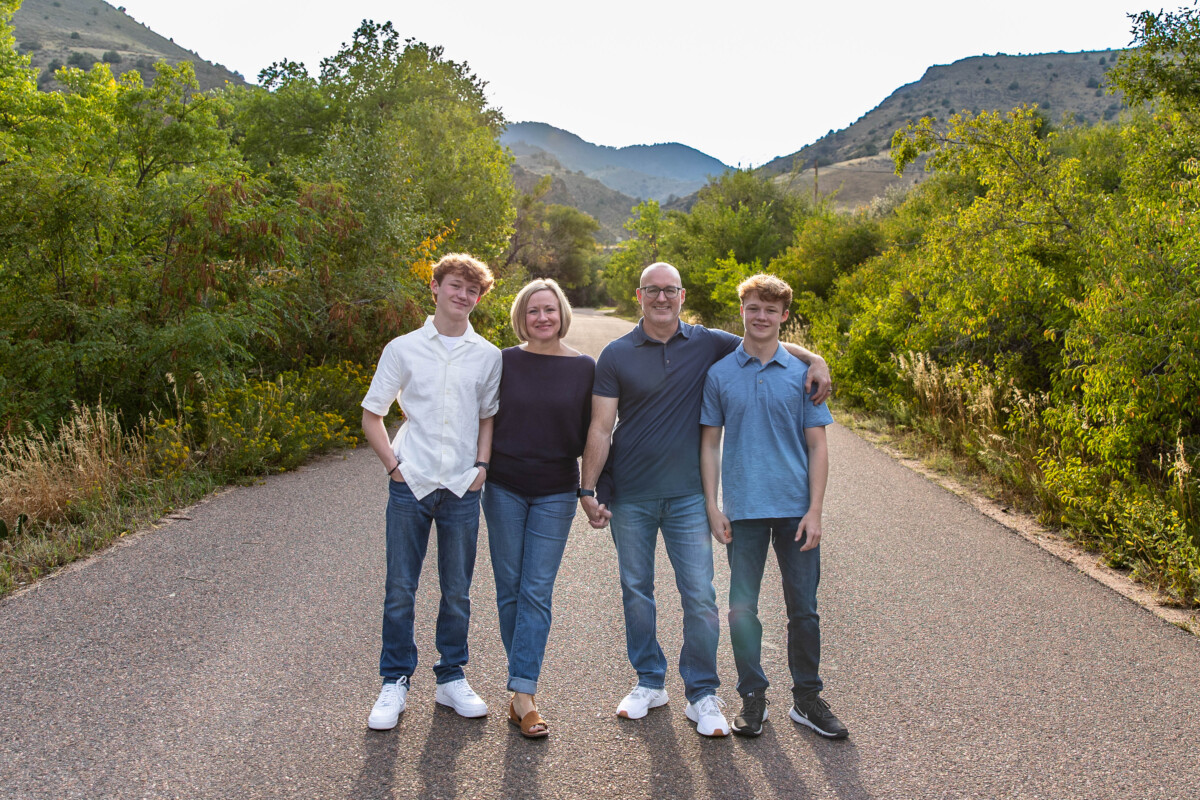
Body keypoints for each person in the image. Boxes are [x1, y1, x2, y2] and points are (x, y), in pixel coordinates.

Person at [578, 262, 831, 738]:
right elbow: (599, 426)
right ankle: (650, 681)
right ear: (638, 295)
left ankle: (702, 692)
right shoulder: (615, 354)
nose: (661, 298)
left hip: (690, 497)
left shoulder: (707, 342)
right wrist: (587, 488)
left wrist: (815, 358)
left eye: (669, 290)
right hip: (631, 493)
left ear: (682, 295)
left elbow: (762, 338)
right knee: (637, 591)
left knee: (701, 597)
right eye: (652, 291)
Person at [699, 273, 846, 740]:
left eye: (770, 310)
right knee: (742, 608)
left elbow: (818, 447)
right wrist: (711, 505)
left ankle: (806, 699)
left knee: (803, 609)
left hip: (795, 511)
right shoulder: (720, 374)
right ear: (741, 311)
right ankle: (753, 697)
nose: (760, 317)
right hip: (741, 510)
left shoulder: (803, 376)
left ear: (785, 316)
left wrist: (816, 509)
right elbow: (709, 445)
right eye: (753, 308)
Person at [360, 253, 502, 731]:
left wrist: (482, 464)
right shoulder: (402, 348)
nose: (463, 296)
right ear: (436, 287)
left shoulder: (488, 355)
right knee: (400, 588)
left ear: (479, 299)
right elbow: (372, 414)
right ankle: (394, 681)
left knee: (457, 591)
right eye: (455, 286)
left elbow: (488, 416)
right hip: (411, 484)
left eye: (472, 291)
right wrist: (394, 467)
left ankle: (450, 676)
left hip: (463, 486)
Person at [482, 278, 595, 739]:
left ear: (561, 313)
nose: (542, 318)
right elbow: (479, 414)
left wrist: (592, 490)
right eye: (533, 311)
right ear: (522, 317)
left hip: (554, 490)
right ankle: (521, 693)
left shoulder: (584, 368)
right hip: (504, 486)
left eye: (549, 310)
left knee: (536, 590)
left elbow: (597, 433)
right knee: (509, 588)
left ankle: (524, 694)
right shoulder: (503, 361)